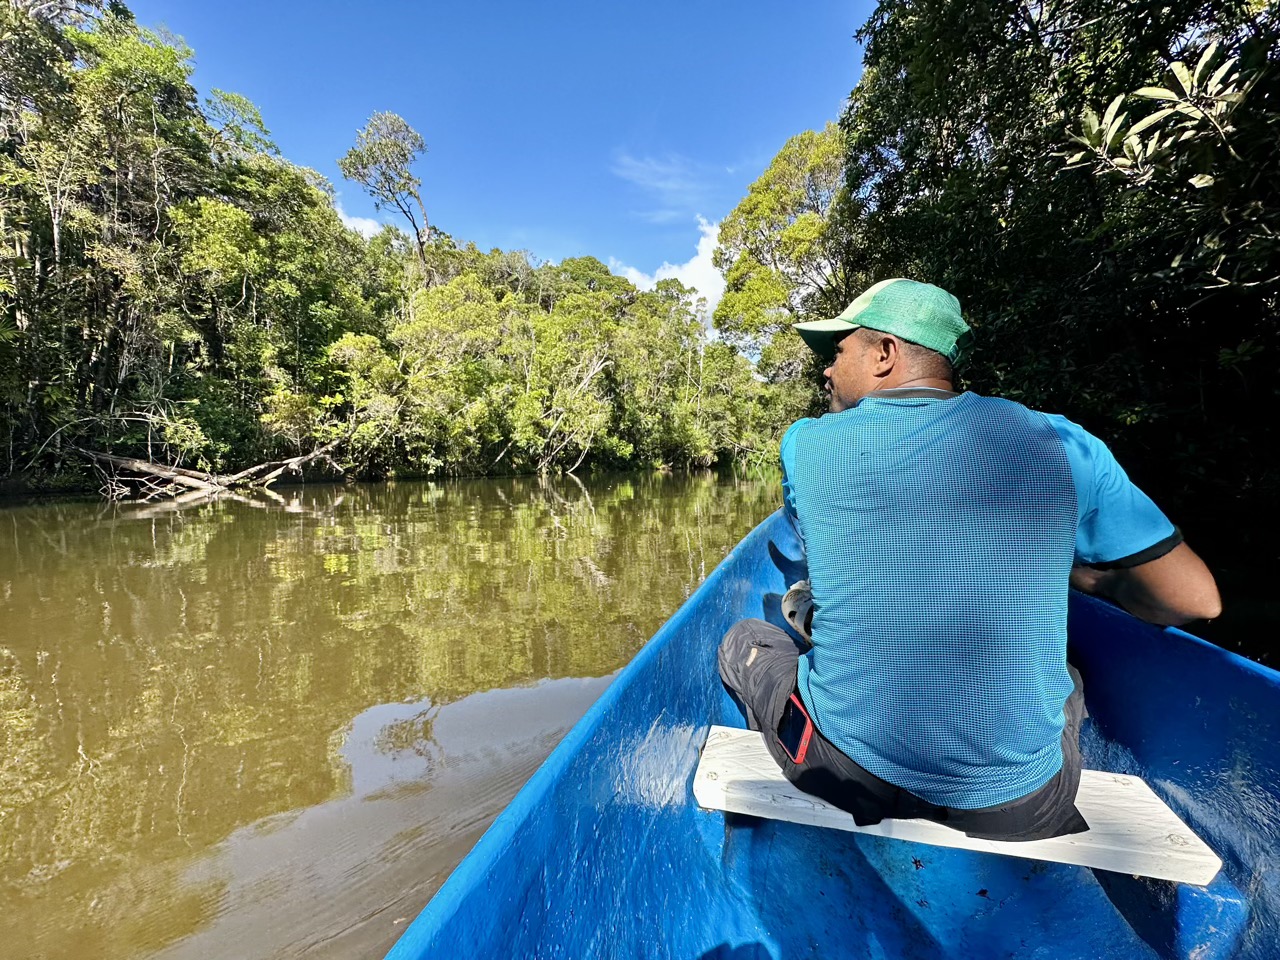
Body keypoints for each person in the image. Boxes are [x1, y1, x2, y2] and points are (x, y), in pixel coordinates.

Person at [718, 278, 1221, 841]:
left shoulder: (806, 444)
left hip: (846, 773)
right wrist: (1095, 582)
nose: (827, 371)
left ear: (885, 353)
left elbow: (823, 543)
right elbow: (1194, 600)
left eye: (837, 352)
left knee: (747, 639)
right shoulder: (1060, 443)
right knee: (1069, 675)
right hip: (1023, 804)